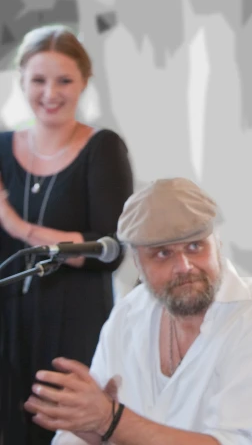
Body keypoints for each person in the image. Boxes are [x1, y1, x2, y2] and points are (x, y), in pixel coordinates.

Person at [24, 177, 252, 444]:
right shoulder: (128, 314)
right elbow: (82, 431)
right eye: (163, 253)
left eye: (194, 246)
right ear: (137, 264)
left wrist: (109, 421)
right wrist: (86, 426)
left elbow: (233, 441)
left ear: (218, 243)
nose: (184, 267)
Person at [0, 24, 134, 445]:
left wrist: (15, 224)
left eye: (64, 80)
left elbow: (107, 252)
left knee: (63, 433)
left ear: (84, 82)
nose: (50, 93)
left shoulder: (103, 148)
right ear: (21, 79)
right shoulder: (3, 147)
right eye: (38, 80)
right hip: (8, 324)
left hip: (73, 326)